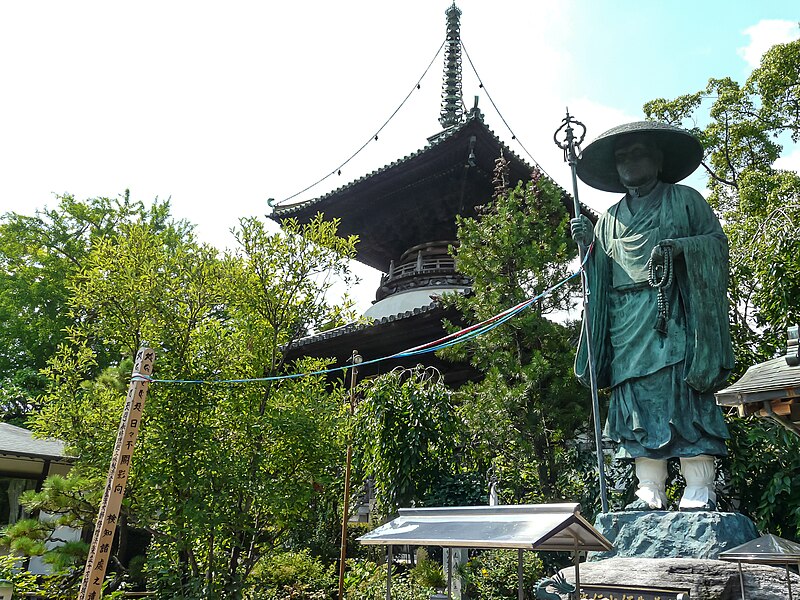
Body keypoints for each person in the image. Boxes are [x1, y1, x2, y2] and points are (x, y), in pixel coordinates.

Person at [570, 121, 734, 511]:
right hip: (626, 321)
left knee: (684, 395)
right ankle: (650, 486)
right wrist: (588, 250)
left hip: (673, 312)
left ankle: (699, 484)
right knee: (635, 401)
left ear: (659, 159)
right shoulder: (608, 219)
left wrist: (680, 248)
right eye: (621, 157)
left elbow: (716, 247)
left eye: (638, 153)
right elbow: (601, 278)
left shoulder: (685, 200)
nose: (629, 162)